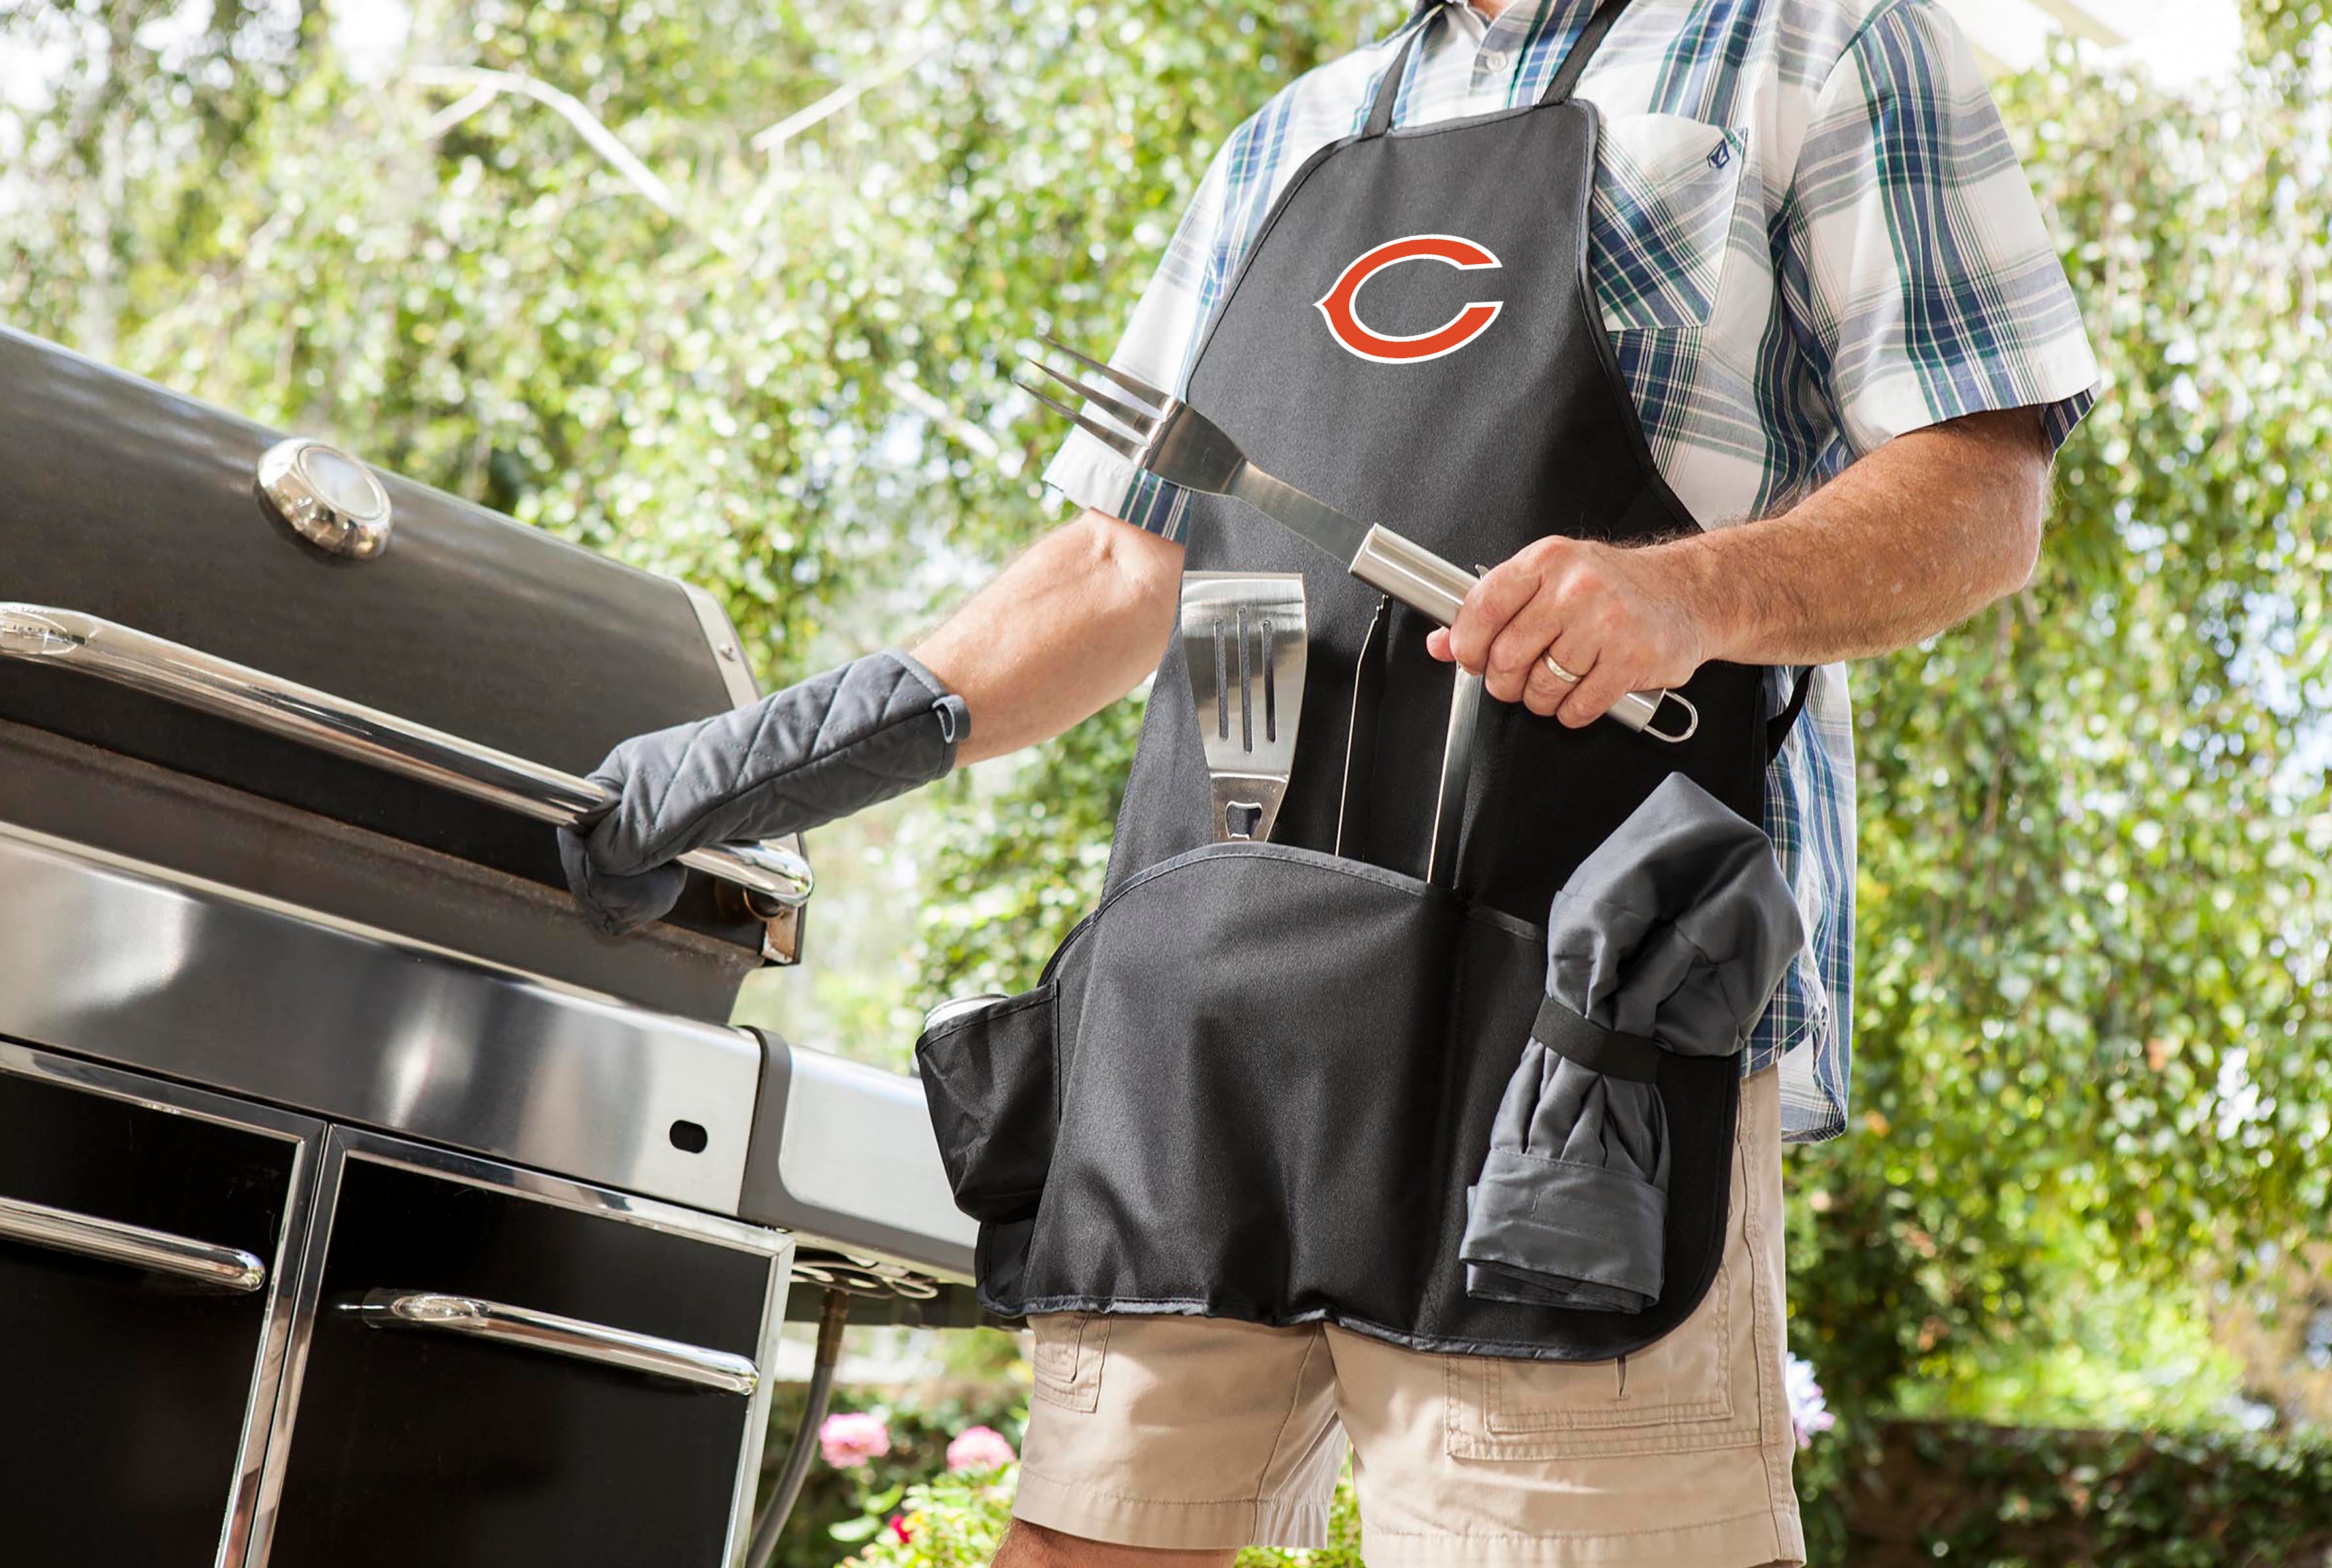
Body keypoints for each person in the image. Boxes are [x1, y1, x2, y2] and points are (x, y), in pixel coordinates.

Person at [561, 2, 2099, 1563]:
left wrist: (1688, 598)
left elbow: (1982, 490)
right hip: (1202, 1027)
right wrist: (774, 757)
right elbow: (1120, 563)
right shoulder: (1300, 133)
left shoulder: (1814, 48)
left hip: (1565, 1039)